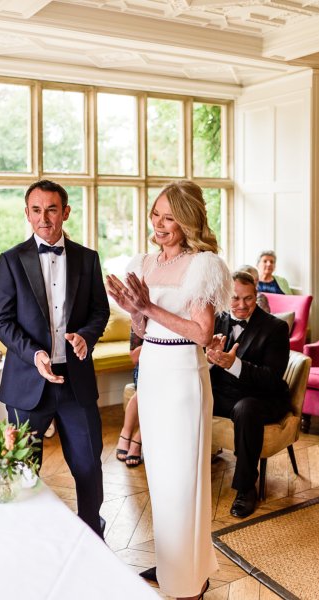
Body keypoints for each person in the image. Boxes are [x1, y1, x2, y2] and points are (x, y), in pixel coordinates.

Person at [106, 180, 232, 600]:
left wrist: (148, 307)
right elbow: (143, 328)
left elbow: (201, 332)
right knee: (159, 480)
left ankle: (189, 580)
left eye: (170, 217)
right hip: (153, 372)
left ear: (188, 219)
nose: (160, 224)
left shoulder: (203, 265)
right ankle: (174, 564)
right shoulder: (144, 262)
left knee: (182, 481)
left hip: (183, 377)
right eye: (156, 215)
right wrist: (134, 314)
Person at [0, 179, 110, 538]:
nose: (45, 218)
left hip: (76, 383)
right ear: (27, 214)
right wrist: (35, 354)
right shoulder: (11, 261)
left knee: (89, 464)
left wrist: (85, 337)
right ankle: (26, 536)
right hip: (28, 382)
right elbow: (2, 320)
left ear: (66, 212)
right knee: (24, 468)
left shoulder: (88, 259)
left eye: (52, 209)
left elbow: (99, 312)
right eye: (37, 210)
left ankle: (92, 531)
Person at [207, 271, 291, 518]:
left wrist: (234, 364)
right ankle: (188, 470)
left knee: (246, 409)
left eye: (249, 299)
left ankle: (245, 489)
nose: (242, 305)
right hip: (224, 394)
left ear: (257, 296)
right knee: (191, 396)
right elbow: (202, 365)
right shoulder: (214, 320)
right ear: (225, 298)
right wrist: (210, 359)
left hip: (262, 397)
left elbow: (271, 378)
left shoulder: (275, 327)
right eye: (235, 298)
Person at [116, 329, 143, 468]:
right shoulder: (141, 315)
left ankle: (137, 439)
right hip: (146, 365)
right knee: (144, 392)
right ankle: (125, 433)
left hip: (174, 366)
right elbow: (134, 357)